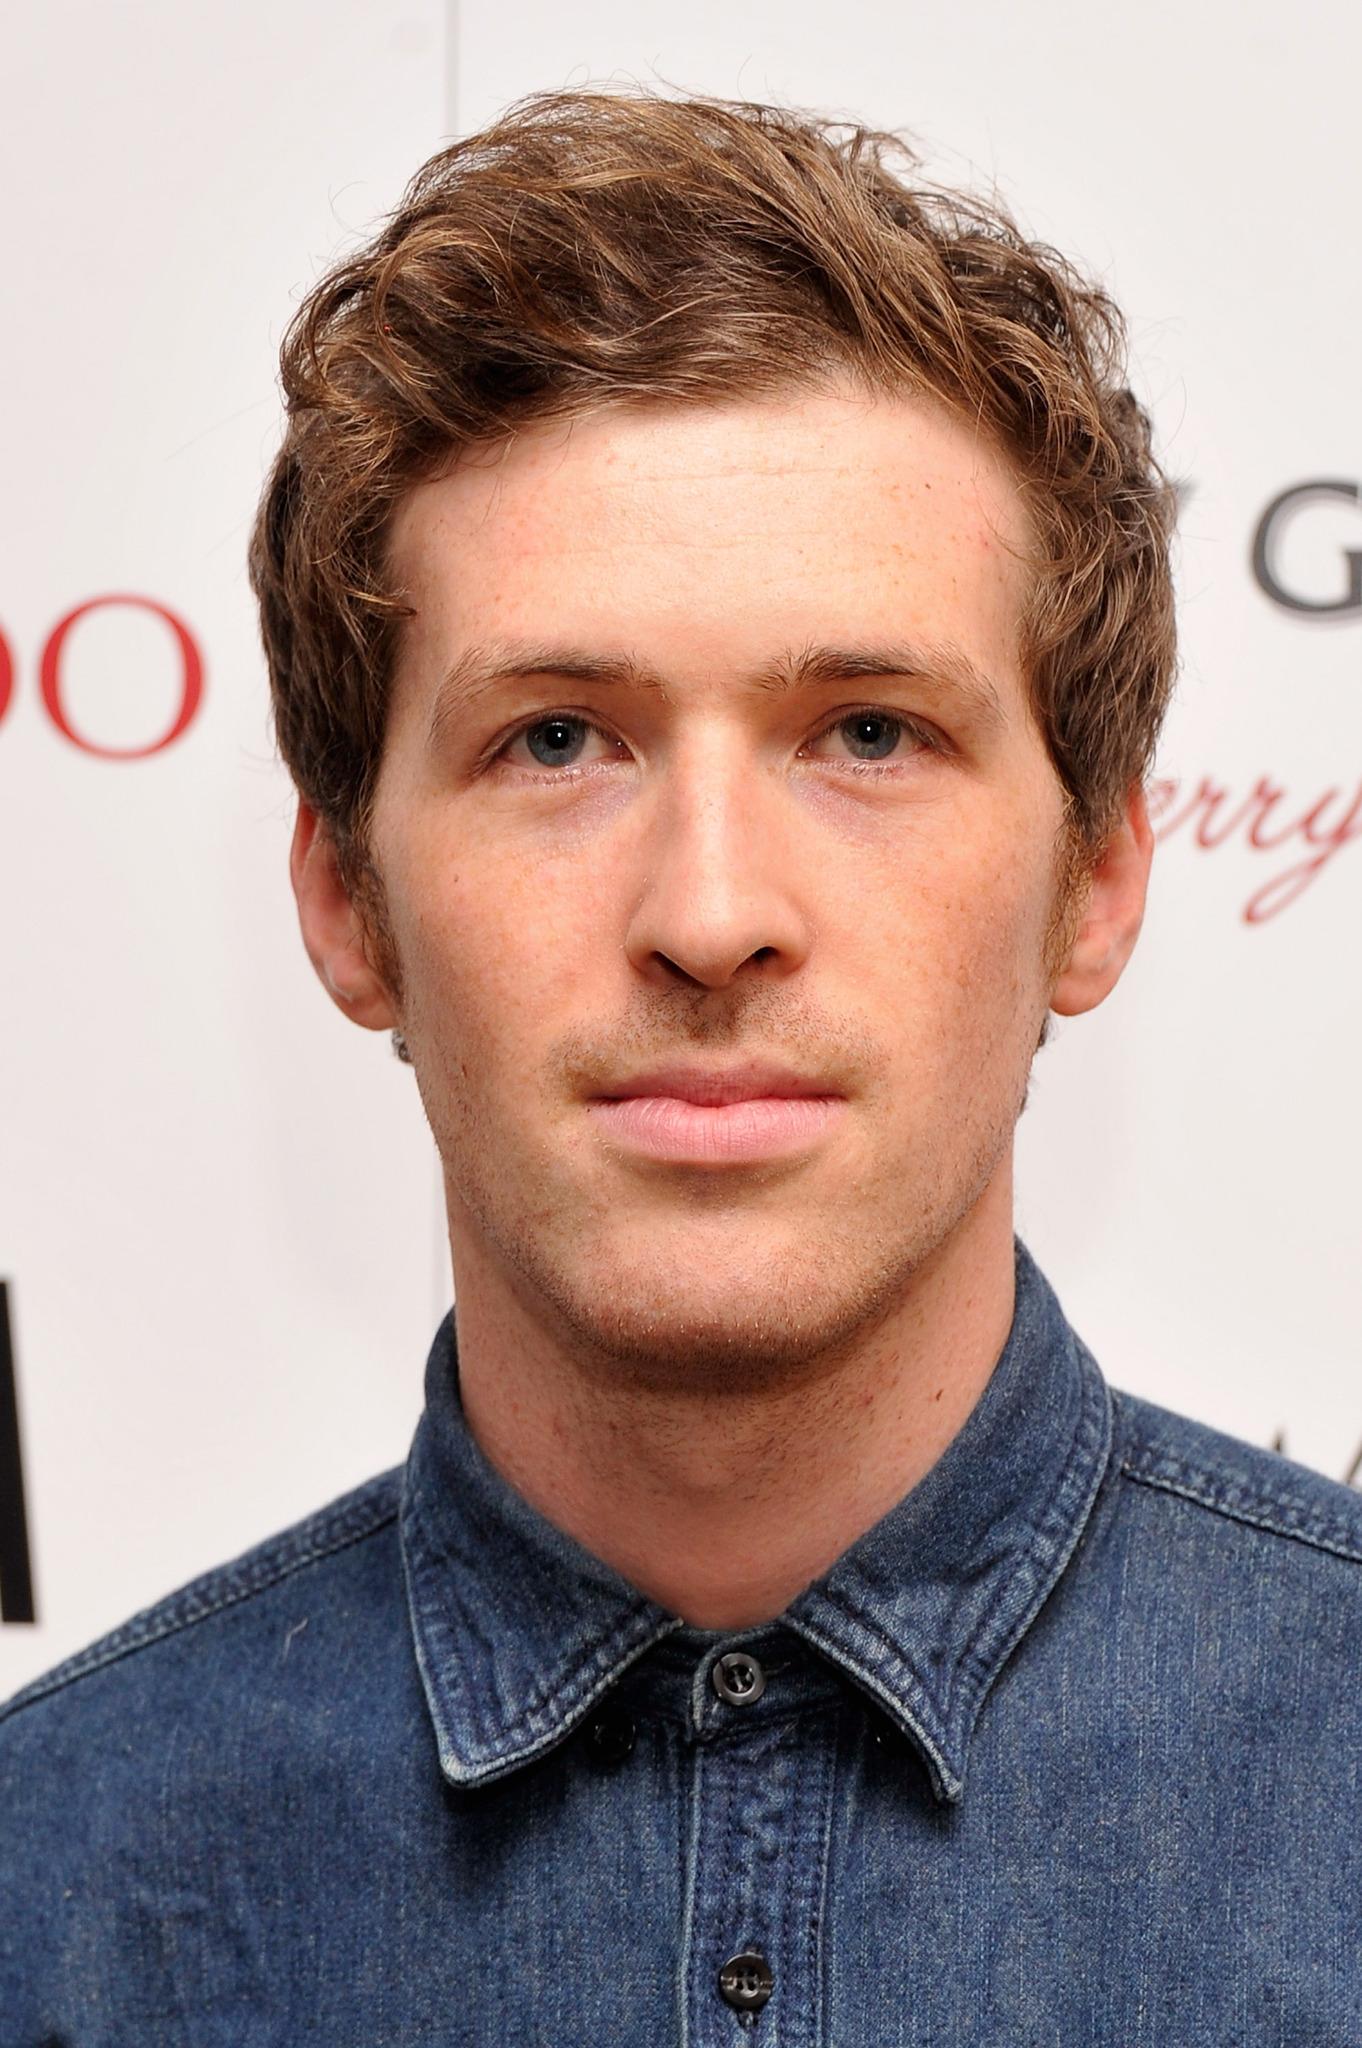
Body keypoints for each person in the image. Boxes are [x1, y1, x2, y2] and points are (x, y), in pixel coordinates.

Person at [3, 86, 1360, 2042]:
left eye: (869, 733)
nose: (712, 914)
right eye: (557, 740)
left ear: (1096, 880)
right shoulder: (49, 1896)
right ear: (349, 901)